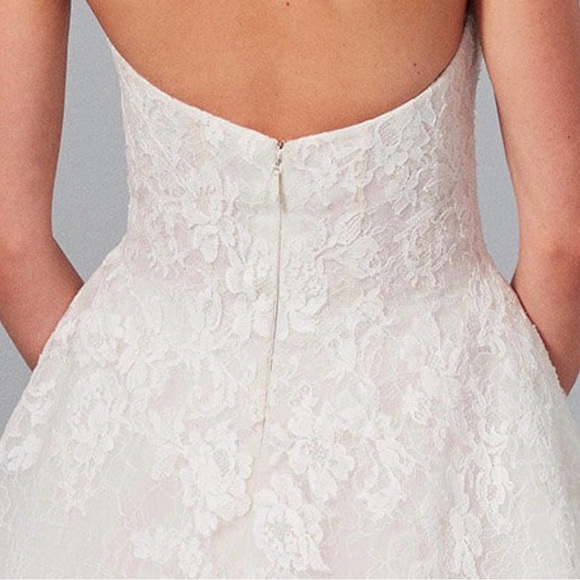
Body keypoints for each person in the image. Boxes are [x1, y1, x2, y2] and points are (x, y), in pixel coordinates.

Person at [1, 0, 580, 577]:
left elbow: (11, 244)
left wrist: (107, 392)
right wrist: (503, 425)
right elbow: (564, 248)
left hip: (142, 461)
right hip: (429, 450)